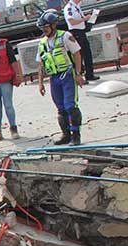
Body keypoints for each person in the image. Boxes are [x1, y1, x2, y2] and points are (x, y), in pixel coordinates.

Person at [36, 10, 86, 146]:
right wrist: (40, 83)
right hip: (54, 78)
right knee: (61, 108)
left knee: (71, 106)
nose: (44, 30)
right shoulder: (42, 43)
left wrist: (78, 73)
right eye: (42, 28)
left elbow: (77, 54)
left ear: (53, 25)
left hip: (67, 75)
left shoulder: (65, 36)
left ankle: (76, 135)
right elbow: (41, 63)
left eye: (46, 27)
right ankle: (66, 134)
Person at [63, 0, 99, 81]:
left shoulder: (77, 6)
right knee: (79, 55)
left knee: (87, 54)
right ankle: (79, 76)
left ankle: (89, 74)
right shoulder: (69, 8)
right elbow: (72, 21)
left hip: (81, 32)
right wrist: (84, 18)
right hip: (76, 32)